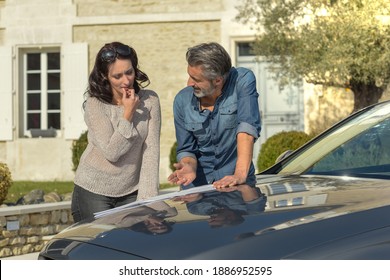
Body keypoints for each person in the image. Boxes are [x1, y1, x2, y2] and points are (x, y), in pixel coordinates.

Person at [71, 42, 161, 223]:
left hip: (131, 191)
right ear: (105, 76)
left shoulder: (150, 100)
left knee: (131, 246)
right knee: (98, 249)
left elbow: (151, 151)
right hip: (93, 191)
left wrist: (148, 200)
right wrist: (128, 114)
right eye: (117, 76)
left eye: (129, 72)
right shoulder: (94, 104)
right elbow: (112, 152)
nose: (126, 81)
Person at [168, 42, 261, 189]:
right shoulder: (181, 100)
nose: (189, 83)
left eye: (197, 79)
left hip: (238, 186)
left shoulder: (242, 81)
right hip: (198, 191)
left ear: (218, 80)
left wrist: (239, 175)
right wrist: (188, 166)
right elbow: (187, 149)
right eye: (189, 76)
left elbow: (247, 128)